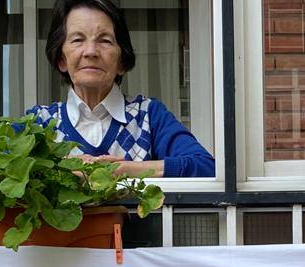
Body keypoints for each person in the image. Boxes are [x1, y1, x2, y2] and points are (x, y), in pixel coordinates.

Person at [28, 0, 215, 178]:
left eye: (105, 40)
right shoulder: (41, 123)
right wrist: (62, 166)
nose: (91, 51)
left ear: (122, 62)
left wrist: (128, 170)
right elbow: (0, 169)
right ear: (61, 59)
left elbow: (206, 168)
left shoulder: (148, 116)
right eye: (78, 39)